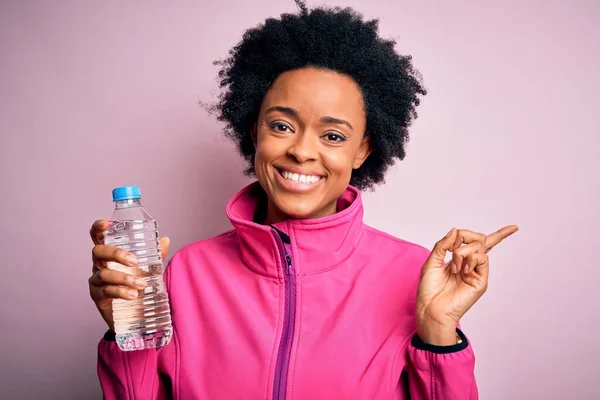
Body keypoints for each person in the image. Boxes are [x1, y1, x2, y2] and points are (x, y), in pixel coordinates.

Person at [89, 2, 518, 399]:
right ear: (254, 131)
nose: (302, 151)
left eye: (333, 136)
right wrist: (125, 332)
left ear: (363, 150)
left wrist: (438, 331)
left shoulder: (412, 274)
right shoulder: (187, 274)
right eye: (281, 126)